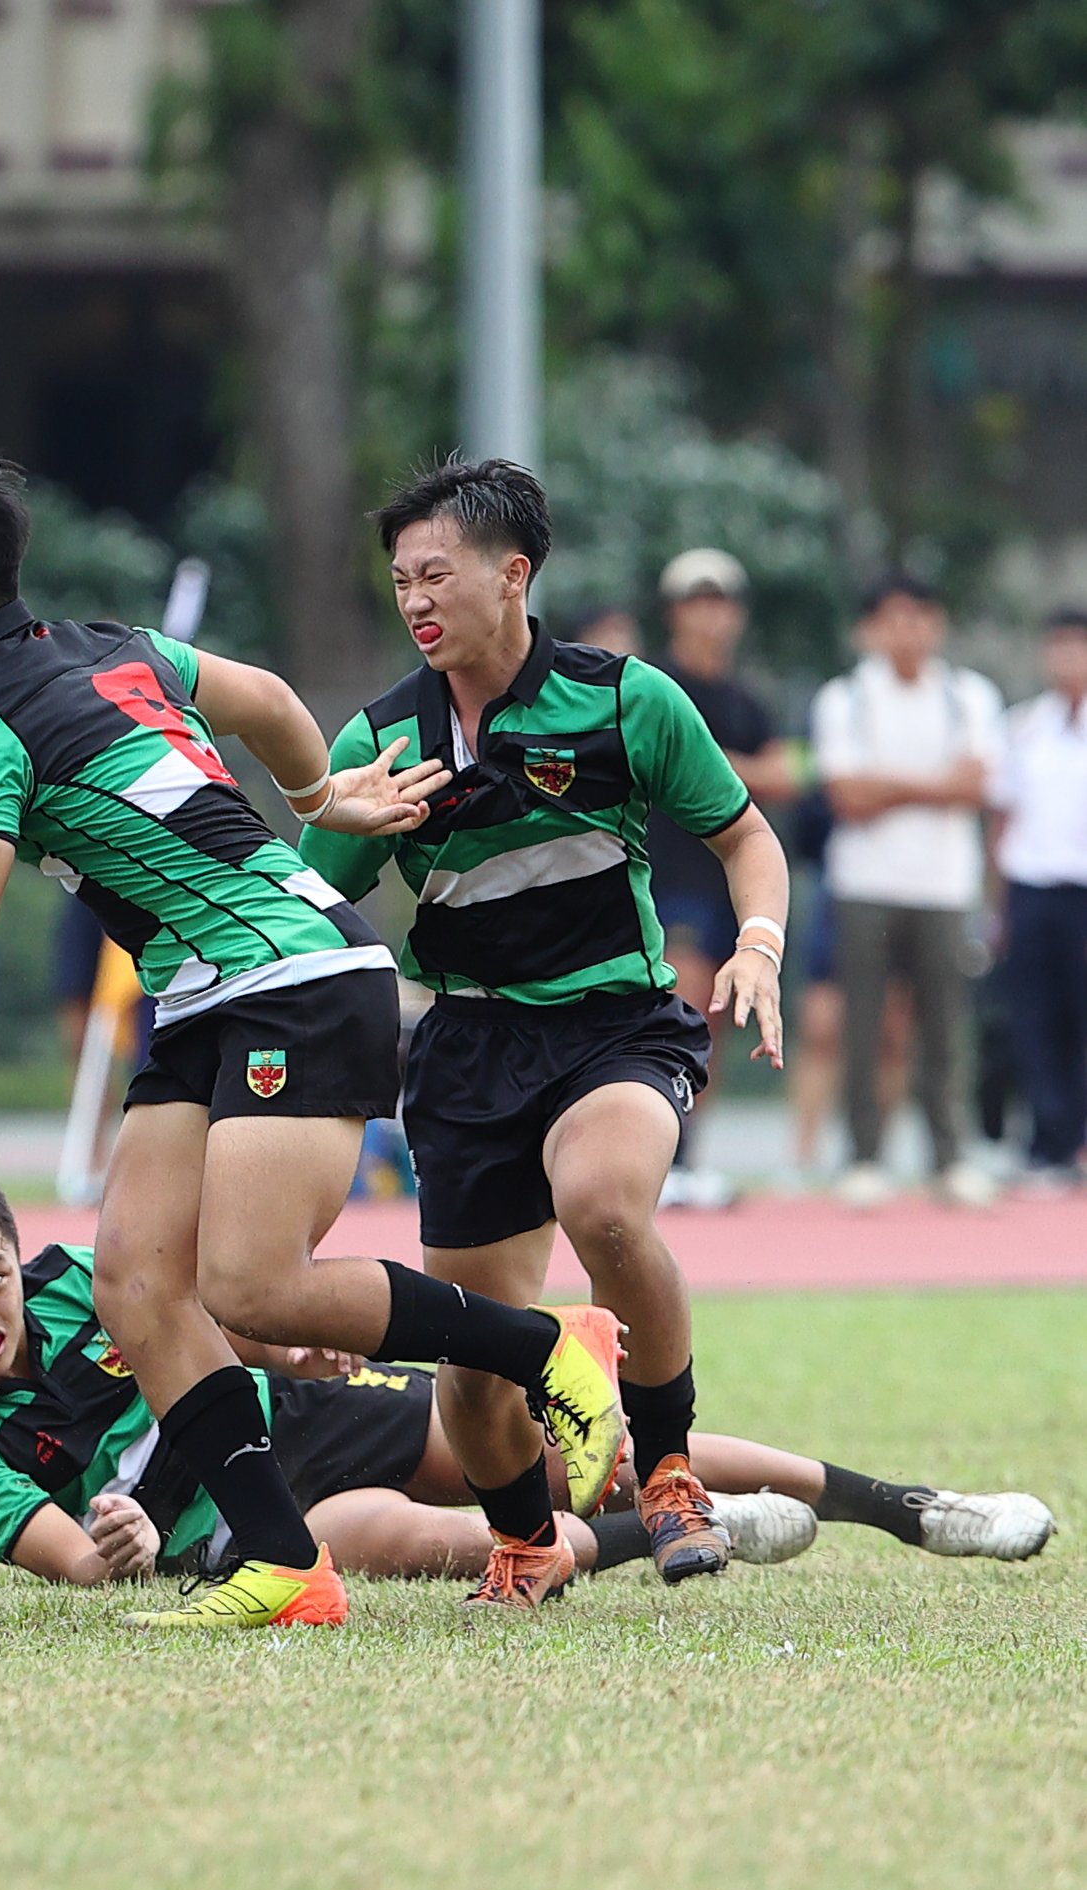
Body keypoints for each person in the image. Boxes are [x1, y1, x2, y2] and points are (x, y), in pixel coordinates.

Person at [0, 448, 626, 1630]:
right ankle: (284, 1563)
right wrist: (320, 802)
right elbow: (260, 695)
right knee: (133, 1287)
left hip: (288, 977)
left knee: (251, 1287)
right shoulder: (109, 644)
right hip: (208, 991)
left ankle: (545, 1344)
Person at [298, 460, 790, 1612]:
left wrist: (758, 943)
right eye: (399, 581)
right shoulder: (379, 737)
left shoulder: (626, 700)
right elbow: (303, 911)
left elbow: (746, 838)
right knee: (472, 1372)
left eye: (438, 575)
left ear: (514, 575)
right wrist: (336, 823)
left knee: (605, 1203)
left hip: (616, 1023)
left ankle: (667, 1467)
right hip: (467, 1051)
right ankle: (526, 1539)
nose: (414, 601)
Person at [0, 1143, 1057, 1585]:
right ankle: (686, 1534)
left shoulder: (87, 1272)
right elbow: (74, 1558)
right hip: (219, 1526)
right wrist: (116, 1544)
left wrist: (283, 1341)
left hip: (300, 1415)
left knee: (548, 1455)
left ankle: (902, 1508)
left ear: (22, 1257)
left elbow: (206, 1332)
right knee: (396, 1536)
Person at [810, 575, 1002, 1209]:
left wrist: (889, 787)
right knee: (862, 1024)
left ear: (937, 624)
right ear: (870, 629)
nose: (907, 631)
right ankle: (864, 1157)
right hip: (866, 882)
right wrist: (932, 786)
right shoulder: (845, 698)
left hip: (945, 887)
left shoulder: (969, 695)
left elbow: (975, 789)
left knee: (946, 1028)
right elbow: (847, 797)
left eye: (919, 617)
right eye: (893, 619)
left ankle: (950, 1157)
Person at [648, 548, 798, 1208]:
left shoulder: (747, 701)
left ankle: (688, 1156)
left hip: (726, 881)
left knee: (713, 1021)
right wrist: (737, 770)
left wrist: (709, 763)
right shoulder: (655, 688)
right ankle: (662, 1154)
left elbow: (786, 777)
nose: (711, 616)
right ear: (675, 612)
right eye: (697, 602)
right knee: (679, 1002)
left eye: (722, 603)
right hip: (666, 875)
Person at [986, 609, 1087, 1188]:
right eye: (1059, 647)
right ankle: (1047, 1143)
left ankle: (1075, 1139)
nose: (1067, 659)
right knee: (1034, 1019)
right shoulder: (1024, 727)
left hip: (1082, 891)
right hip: (1032, 891)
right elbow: (1004, 819)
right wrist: (995, 907)